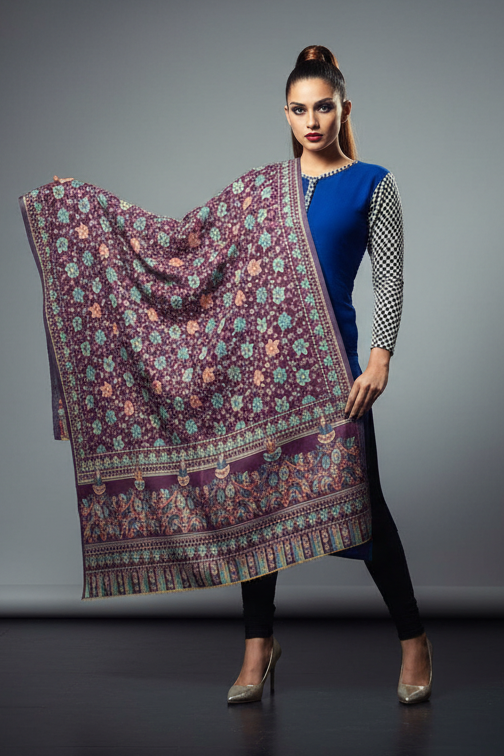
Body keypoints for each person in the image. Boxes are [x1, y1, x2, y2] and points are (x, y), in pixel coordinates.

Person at [226, 45, 433, 706]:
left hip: (334, 369)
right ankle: (258, 646)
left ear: (344, 109)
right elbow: (200, 254)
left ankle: (414, 641)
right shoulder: (265, 189)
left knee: (364, 505)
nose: (311, 121)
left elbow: (389, 277)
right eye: (298, 110)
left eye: (322, 108)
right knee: (259, 506)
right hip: (264, 372)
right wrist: (87, 212)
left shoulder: (372, 182)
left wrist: (380, 356)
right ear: (284, 114)